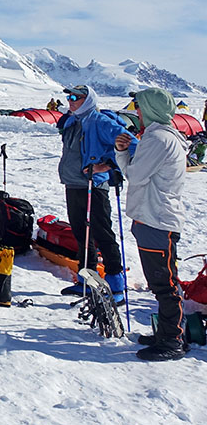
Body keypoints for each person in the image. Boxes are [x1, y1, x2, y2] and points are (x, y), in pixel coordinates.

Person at [116, 87, 189, 361]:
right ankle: (167, 333)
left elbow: (136, 175)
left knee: (164, 283)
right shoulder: (160, 136)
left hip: (157, 220)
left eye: (139, 107)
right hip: (153, 218)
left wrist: (122, 154)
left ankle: (172, 341)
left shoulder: (158, 138)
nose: (136, 112)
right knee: (160, 281)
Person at [56, 84, 135, 300]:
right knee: (82, 234)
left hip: (93, 186)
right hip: (73, 184)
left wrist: (108, 165)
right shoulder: (73, 120)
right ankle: (86, 280)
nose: (71, 100)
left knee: (102, 233)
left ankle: (116, 285)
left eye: (76, 97)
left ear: (88, 99)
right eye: (69, 96)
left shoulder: (100, 122)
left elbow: (130, 143)